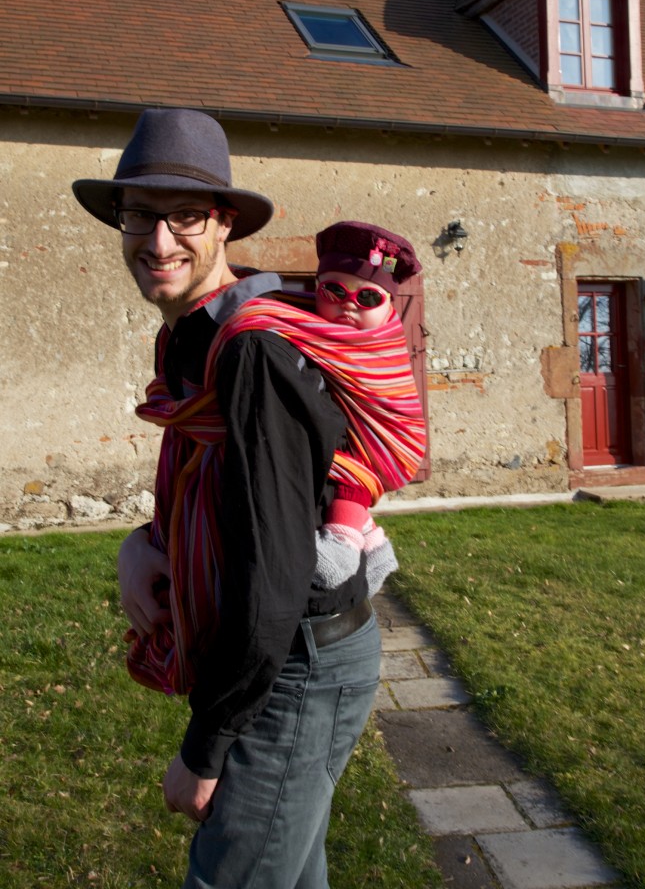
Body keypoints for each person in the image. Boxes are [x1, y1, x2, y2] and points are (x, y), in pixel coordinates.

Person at [72, 107, 384, 889]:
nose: (160, 239)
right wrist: (143, 541)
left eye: (186, 215)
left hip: (290, 661)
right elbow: (226, 489)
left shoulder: (251, 353)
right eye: (140, 214)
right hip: (284, 649)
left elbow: (271, 580)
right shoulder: (192, 334)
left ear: (223, 227)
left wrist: (204, 749)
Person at [310, 222, 424, 595]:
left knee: (351, 468)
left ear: (389, 305)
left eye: (368, 298)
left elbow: (388, 398)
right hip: (345, 434)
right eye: (335, 290)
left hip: (382, 439)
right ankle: (374, 545)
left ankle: (343, 542)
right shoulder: (301, 328)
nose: (349, 304)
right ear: (316, 290)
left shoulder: (381, 343)